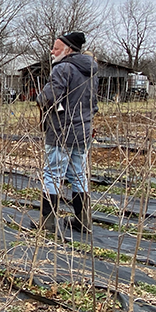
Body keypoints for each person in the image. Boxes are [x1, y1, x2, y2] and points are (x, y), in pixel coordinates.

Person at [37, 31, 98, 234]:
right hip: (83, 132)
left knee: (52, 174)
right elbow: (93, 105)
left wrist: (41, 97)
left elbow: (49, 97)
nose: (52, 51)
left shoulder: (63, 68)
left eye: (55, 48)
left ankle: (48, 224)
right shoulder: (91, 71)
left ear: (68, 49)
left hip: (62, 131)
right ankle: (83, 221)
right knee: (78, 174)